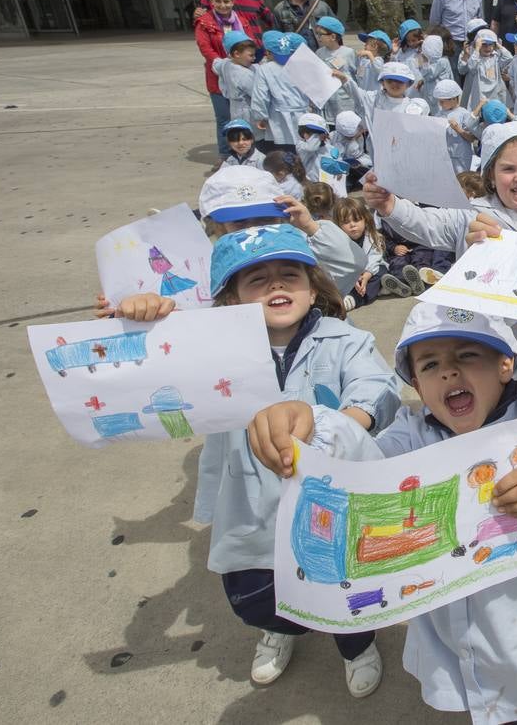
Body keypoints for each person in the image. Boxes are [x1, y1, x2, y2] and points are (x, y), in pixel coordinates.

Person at [246, 302, 517, 724]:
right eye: (431, 363)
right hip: (457, 622)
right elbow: (365, 473)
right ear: (417, 384)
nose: (449, 372)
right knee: (482, 695)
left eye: (467, 355)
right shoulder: (411, 431)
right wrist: (313, 426)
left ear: (505, 364)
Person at [118, 223, 398, 696]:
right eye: (256, 278)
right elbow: (148, 374)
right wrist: (144, 319)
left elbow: (379, 389)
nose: (276, 285)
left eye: (290, 274)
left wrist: (335, 422)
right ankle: (281, 630)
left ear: (313, 289)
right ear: (229, 300)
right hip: (248, 503)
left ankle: (357, 646)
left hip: (332, 502)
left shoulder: (345, 340)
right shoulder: (208, 349)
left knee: (344, 586)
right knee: (258, 595)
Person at [363, 122, 517, 380]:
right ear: (490, 175)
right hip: (481, 339)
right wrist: (389, 205)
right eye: (508, 169)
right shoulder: (469, 214)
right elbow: (425, 223)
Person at [196, 0, 262, 159]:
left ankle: (250, 153)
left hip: (243, 71)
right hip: (219, 73)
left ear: (232, 1)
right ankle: (226, 155)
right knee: (224, 118)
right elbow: (205, 48)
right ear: (211, 1)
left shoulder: (241, 20)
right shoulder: (204, 22)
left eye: (226, 1)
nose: (222, 5)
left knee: (246, 117)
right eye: (218, 1)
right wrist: (224, 64)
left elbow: (250, 41)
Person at [250, 31, 313, 154]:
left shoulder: (265, 69)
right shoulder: (302, 65)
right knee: (305, 149)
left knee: (284, 150)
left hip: (279, 117)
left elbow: (261, 96)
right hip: (304, 113)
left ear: (268, 52)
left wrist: (260, 116)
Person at [331, 196, 386, 311]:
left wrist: (367, 274)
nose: (352, 225)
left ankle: (355, 299)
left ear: (365, 219)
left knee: (382, 270)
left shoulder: (373, 237)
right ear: (338, 225)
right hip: (349, 277)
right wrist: (352, 277)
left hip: (370, 272)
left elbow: (375, 258)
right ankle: (356, 296)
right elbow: (338, 264)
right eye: (346, 222)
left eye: (356, 220)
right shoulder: (337, 242)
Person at [211, 29, 260, 155]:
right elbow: (257, 94)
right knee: (251, 141)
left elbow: (215, 64)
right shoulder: (243, 74)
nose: (254, 59)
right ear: (237, 54)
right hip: (248, 113)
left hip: (235, 110)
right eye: (251, 55)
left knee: (240, 139)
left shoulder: (226, 64)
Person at [312, 15, 358, 120]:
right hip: (328, 100)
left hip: (346, 100)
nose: (318, 37)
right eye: (317, 34)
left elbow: (357, 76)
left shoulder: (348, 53)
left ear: (333, 37)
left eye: (320, 34)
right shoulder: (319, 53)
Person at [460, 28, 510, 108]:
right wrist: (476, 49)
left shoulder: (495, 57)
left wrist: (499, 46)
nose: (488, 48)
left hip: (494, 95)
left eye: (490, 44)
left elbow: (509, 58)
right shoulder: (475, 57)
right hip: (478, 96)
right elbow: (472, 67)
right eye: (484, 45)